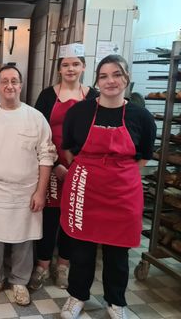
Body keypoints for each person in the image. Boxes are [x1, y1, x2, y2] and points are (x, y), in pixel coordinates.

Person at [59, 55, 156, 319]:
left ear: (126, 77)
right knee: (81, 249)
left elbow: (145, 154)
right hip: (85, 188)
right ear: (97, 80)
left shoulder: (141, 116)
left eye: (116, 74)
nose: (110, 81)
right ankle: (77, 296)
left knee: (118, 251)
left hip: (123, 190)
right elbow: (68, 150)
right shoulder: (79, 112)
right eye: (104, 76)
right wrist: (91, 169)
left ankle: (116, 301)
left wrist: (117, 173)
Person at [0, 65, 56, 305]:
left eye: (14, 81)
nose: (9, 85)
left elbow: (46, 156)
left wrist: (41, 192)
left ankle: (19, 281)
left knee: (23, 239)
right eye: (4, 81)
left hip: (26, 190)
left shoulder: (35, 117)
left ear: (21, 86)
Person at [30, 44, 97, 290]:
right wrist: (56, 163)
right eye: (66, 64)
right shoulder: (48, 96)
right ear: (59, 69)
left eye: (75, 64)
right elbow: (39, 132)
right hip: (50, 166)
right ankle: (42, 266)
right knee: (48, 218)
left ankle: (63, 267)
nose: (71, 69)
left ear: (84, 67)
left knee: (73, 217)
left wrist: (77, 165)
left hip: (83, 169)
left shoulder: (93, 96)